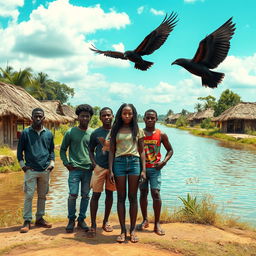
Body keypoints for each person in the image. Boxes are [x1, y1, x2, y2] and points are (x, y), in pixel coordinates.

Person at [109, 103, 146, 243]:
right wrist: (111, 170)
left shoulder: (138, 129)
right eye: (125, 113)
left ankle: (132, 230)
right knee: (120, 197)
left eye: (130, 113)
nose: (127, 116)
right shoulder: (115, 129)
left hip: (134, 163)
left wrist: (144, 170)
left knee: (132, 197)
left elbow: (142, 151)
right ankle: (123, 231)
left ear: (134, 114)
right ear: (120, 114)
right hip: (119, 163)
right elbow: (111, 150)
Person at [17, 108, 54, 233]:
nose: (38, 118)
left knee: (43, 196)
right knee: (29, 195)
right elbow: (19, 152)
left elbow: (51, 151)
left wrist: (52, 163)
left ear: (44, 118)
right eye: (36, 116)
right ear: (31, 118)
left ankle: (40, 218)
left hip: (45, 170)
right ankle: (27, 220)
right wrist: (23, 166)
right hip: (31, 170)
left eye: (40, 116)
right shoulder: (25, 133)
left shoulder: (49, 134)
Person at [137, 109, 173, 236]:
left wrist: (164, 162)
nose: (150, 120)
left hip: (155, 169)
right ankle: (145, 220)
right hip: (142, 169)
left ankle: (157, 223)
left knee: (155, 193)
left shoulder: (161, 134)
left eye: (153, 118)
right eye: (148, 118)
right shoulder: (139, 134)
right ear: (144, 119)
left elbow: (170, 150)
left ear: (156, 119)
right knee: (143, 193)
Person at [60, 104, 94, 233]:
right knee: (72, 195)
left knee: (86, 196)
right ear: (78, 117)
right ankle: (71, 220)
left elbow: (96, 150)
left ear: (90, 118)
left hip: (88, 170)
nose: (85, 118)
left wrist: (95, 165)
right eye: (82, 116)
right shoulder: (70, 132)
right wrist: (66, 163)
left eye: (87, 116)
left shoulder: (92, 133)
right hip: (74, 170)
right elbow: (63, 150)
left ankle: (81, 219)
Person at [87, 107, 116, 237]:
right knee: (95, 195)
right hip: (99, 168)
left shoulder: (117, 132)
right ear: (100, 118)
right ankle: (93, 224)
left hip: (113, 169)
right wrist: (94, 164)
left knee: (110, 195)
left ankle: (105, 222)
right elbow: (90, 149)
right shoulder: (96, 133)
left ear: (113, 116)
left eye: (108, 115)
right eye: (103, 115)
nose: (106, 117)